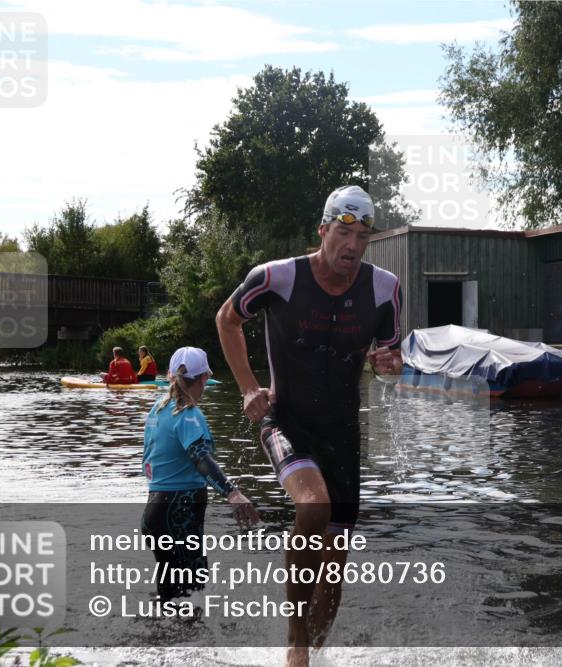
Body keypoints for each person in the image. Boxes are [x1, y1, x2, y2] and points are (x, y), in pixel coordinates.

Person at [216, 185, 402, 667]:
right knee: (314, 506)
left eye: (363, 235)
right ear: (323, 230)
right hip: (286, 420)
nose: (353, 245)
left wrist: (390, 363)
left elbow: (392, 352)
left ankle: (317, 656)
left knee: (334, 560)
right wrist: (248, 388)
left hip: (342, 432)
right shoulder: (276, 277)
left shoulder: (385, 288)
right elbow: (227, 320)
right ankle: (296, 644)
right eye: (344, 232)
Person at [141, 346, 260, 603]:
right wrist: (234, 493)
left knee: (170, 595)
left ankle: (154, 639)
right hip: (178, 516)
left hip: (155, 514)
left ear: (171, 375)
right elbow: (201, 459)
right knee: (192, 593)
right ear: (205, 377)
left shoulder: (158, 409)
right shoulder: (188, 415)